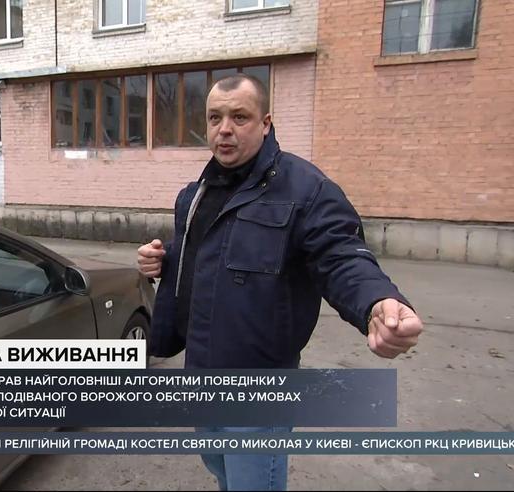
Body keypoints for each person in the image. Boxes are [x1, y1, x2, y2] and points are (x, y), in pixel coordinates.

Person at [136, 74, 424, 491]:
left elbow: (340, 255)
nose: (224, 129)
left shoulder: (307, 190)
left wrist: (377, 300)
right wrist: (164, 259)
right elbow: (204, 254)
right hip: (200, 373)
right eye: (215, 118)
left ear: (266, 123)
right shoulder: (197, 193)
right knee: (221, 471)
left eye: (239, 117)